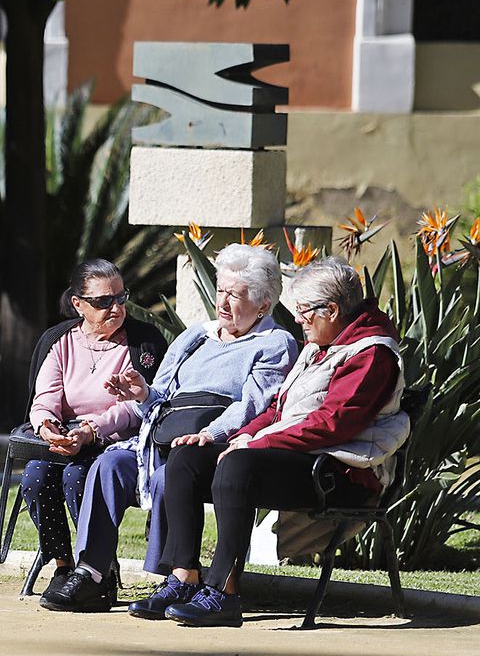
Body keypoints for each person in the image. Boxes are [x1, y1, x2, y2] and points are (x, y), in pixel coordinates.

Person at [139, 257, 409, 627]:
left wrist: (256, 445)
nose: (297, 319)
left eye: (303, 312)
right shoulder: (321, 344)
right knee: (188, 456)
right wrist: (241, 435)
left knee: (239, 464)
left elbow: (332, 424)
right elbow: (279, 408)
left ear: (331, 310)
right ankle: (184, 576)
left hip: (339, 474)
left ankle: (223, 593)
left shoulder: (372, 353)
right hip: (299, 458)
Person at [41, 243, 299, 613]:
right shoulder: (197, 336)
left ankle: (173, 579)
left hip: (210, 445)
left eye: (236, 295)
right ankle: (93, 574)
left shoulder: (274, 343)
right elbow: (159, 395)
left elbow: (252, 405)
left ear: (263, 304)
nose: (223, 303)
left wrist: (210, 433)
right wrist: (141, 392)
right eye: (221, 290)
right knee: (109, 466)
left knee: (170, 475)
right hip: (161, 436)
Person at [22, 260, 168, 599]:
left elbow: (139, 406)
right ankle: (62, 564)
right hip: (66, 437)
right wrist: (46, 428)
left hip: (115, 443)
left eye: (121, 297)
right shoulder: (58, 341)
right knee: (35, 477)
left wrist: (92, 430)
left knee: (78, 477)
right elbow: (44, 398)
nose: (115, 308)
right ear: (78, 304)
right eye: (103, 301)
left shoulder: (144, 342)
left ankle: (98, 567)